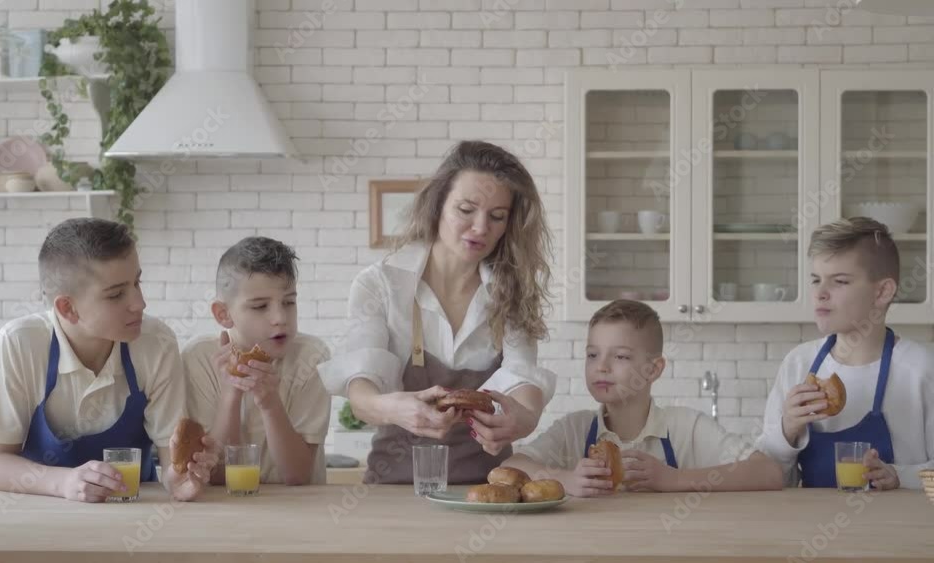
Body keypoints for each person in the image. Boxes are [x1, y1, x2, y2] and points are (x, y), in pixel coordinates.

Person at [319, 140, 557, 484]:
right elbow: (362, 394)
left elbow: (522, 377)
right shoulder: (380, 285)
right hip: (395, 490)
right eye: (466, 209)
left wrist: (527, 417)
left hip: (490, 491)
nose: (480, 228)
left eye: (497, 216)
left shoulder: (511, 291)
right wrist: (393, 408)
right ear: (438, 204)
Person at [0, 218, 217, 502]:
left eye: (137, 282)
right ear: (67, 308)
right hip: (39, 517)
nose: (140, 303)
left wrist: (180, 480)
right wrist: (64, 483)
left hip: (134, 510)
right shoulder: (19, 344)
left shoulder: (157, 344)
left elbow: (170, 462)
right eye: (116, 294)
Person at [503, 300, 782, 496]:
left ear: (654, 369)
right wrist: (566, 479)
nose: (601, 366)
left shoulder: (687, 427)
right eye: (592, 354)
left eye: (621, 356)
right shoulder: (574, 429)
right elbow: (512, 466)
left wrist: (674, 479)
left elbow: (768, 473)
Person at [757, 217, 934, 490]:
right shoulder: (798, 364)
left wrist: (900, 477)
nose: (820, 293)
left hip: (900, 531)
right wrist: (787, 431)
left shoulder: (921, 369)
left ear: (882, 292)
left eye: (839, 281)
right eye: (816, 280)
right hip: (811, 528)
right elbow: (769, 477)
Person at [183, 237, 331, 485]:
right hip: (229, 509)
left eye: (289, 302)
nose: (280, 318)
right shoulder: (198, 358)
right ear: (224, 314)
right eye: (260, 306)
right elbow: (217, 477)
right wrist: (231, 395)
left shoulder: (312, 356)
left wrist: (270, 403)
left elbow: (298, 476)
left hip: (301, 510)